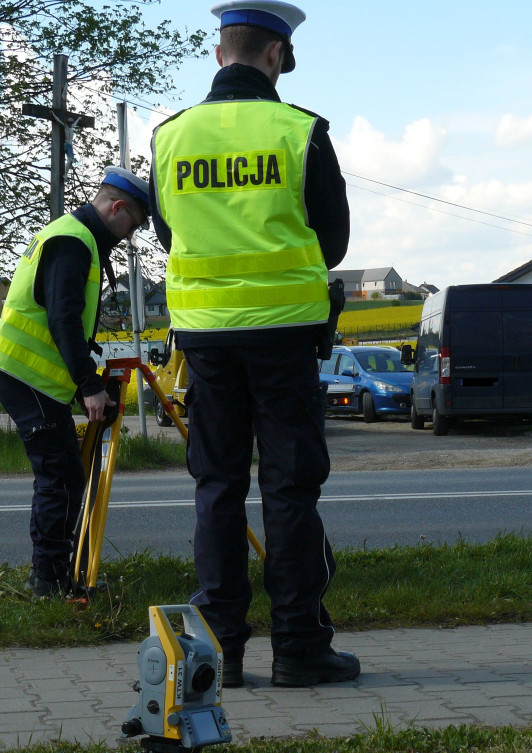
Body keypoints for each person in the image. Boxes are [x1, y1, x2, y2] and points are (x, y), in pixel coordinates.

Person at [149, 1, 357, 687]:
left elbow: (168, 236)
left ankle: (219, 655)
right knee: (290, 488)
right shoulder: (301, 132)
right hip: (286, 337)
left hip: (205, 339)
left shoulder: (170, 137)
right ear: (276, 55)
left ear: (219, 53)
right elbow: (334, 242)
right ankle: (298, 649)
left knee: (217, 488)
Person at [0, 167, 150, 598]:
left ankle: (58, 572)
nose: (129, 235)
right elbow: (62, 319)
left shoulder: (76, 236)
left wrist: (82, 384)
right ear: (117, 208)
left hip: (31, 374)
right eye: (132, 224)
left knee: (63, 474)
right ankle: (49, 581)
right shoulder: (74, 242)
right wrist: (88, 385)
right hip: (24, 372)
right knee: (59, 475)